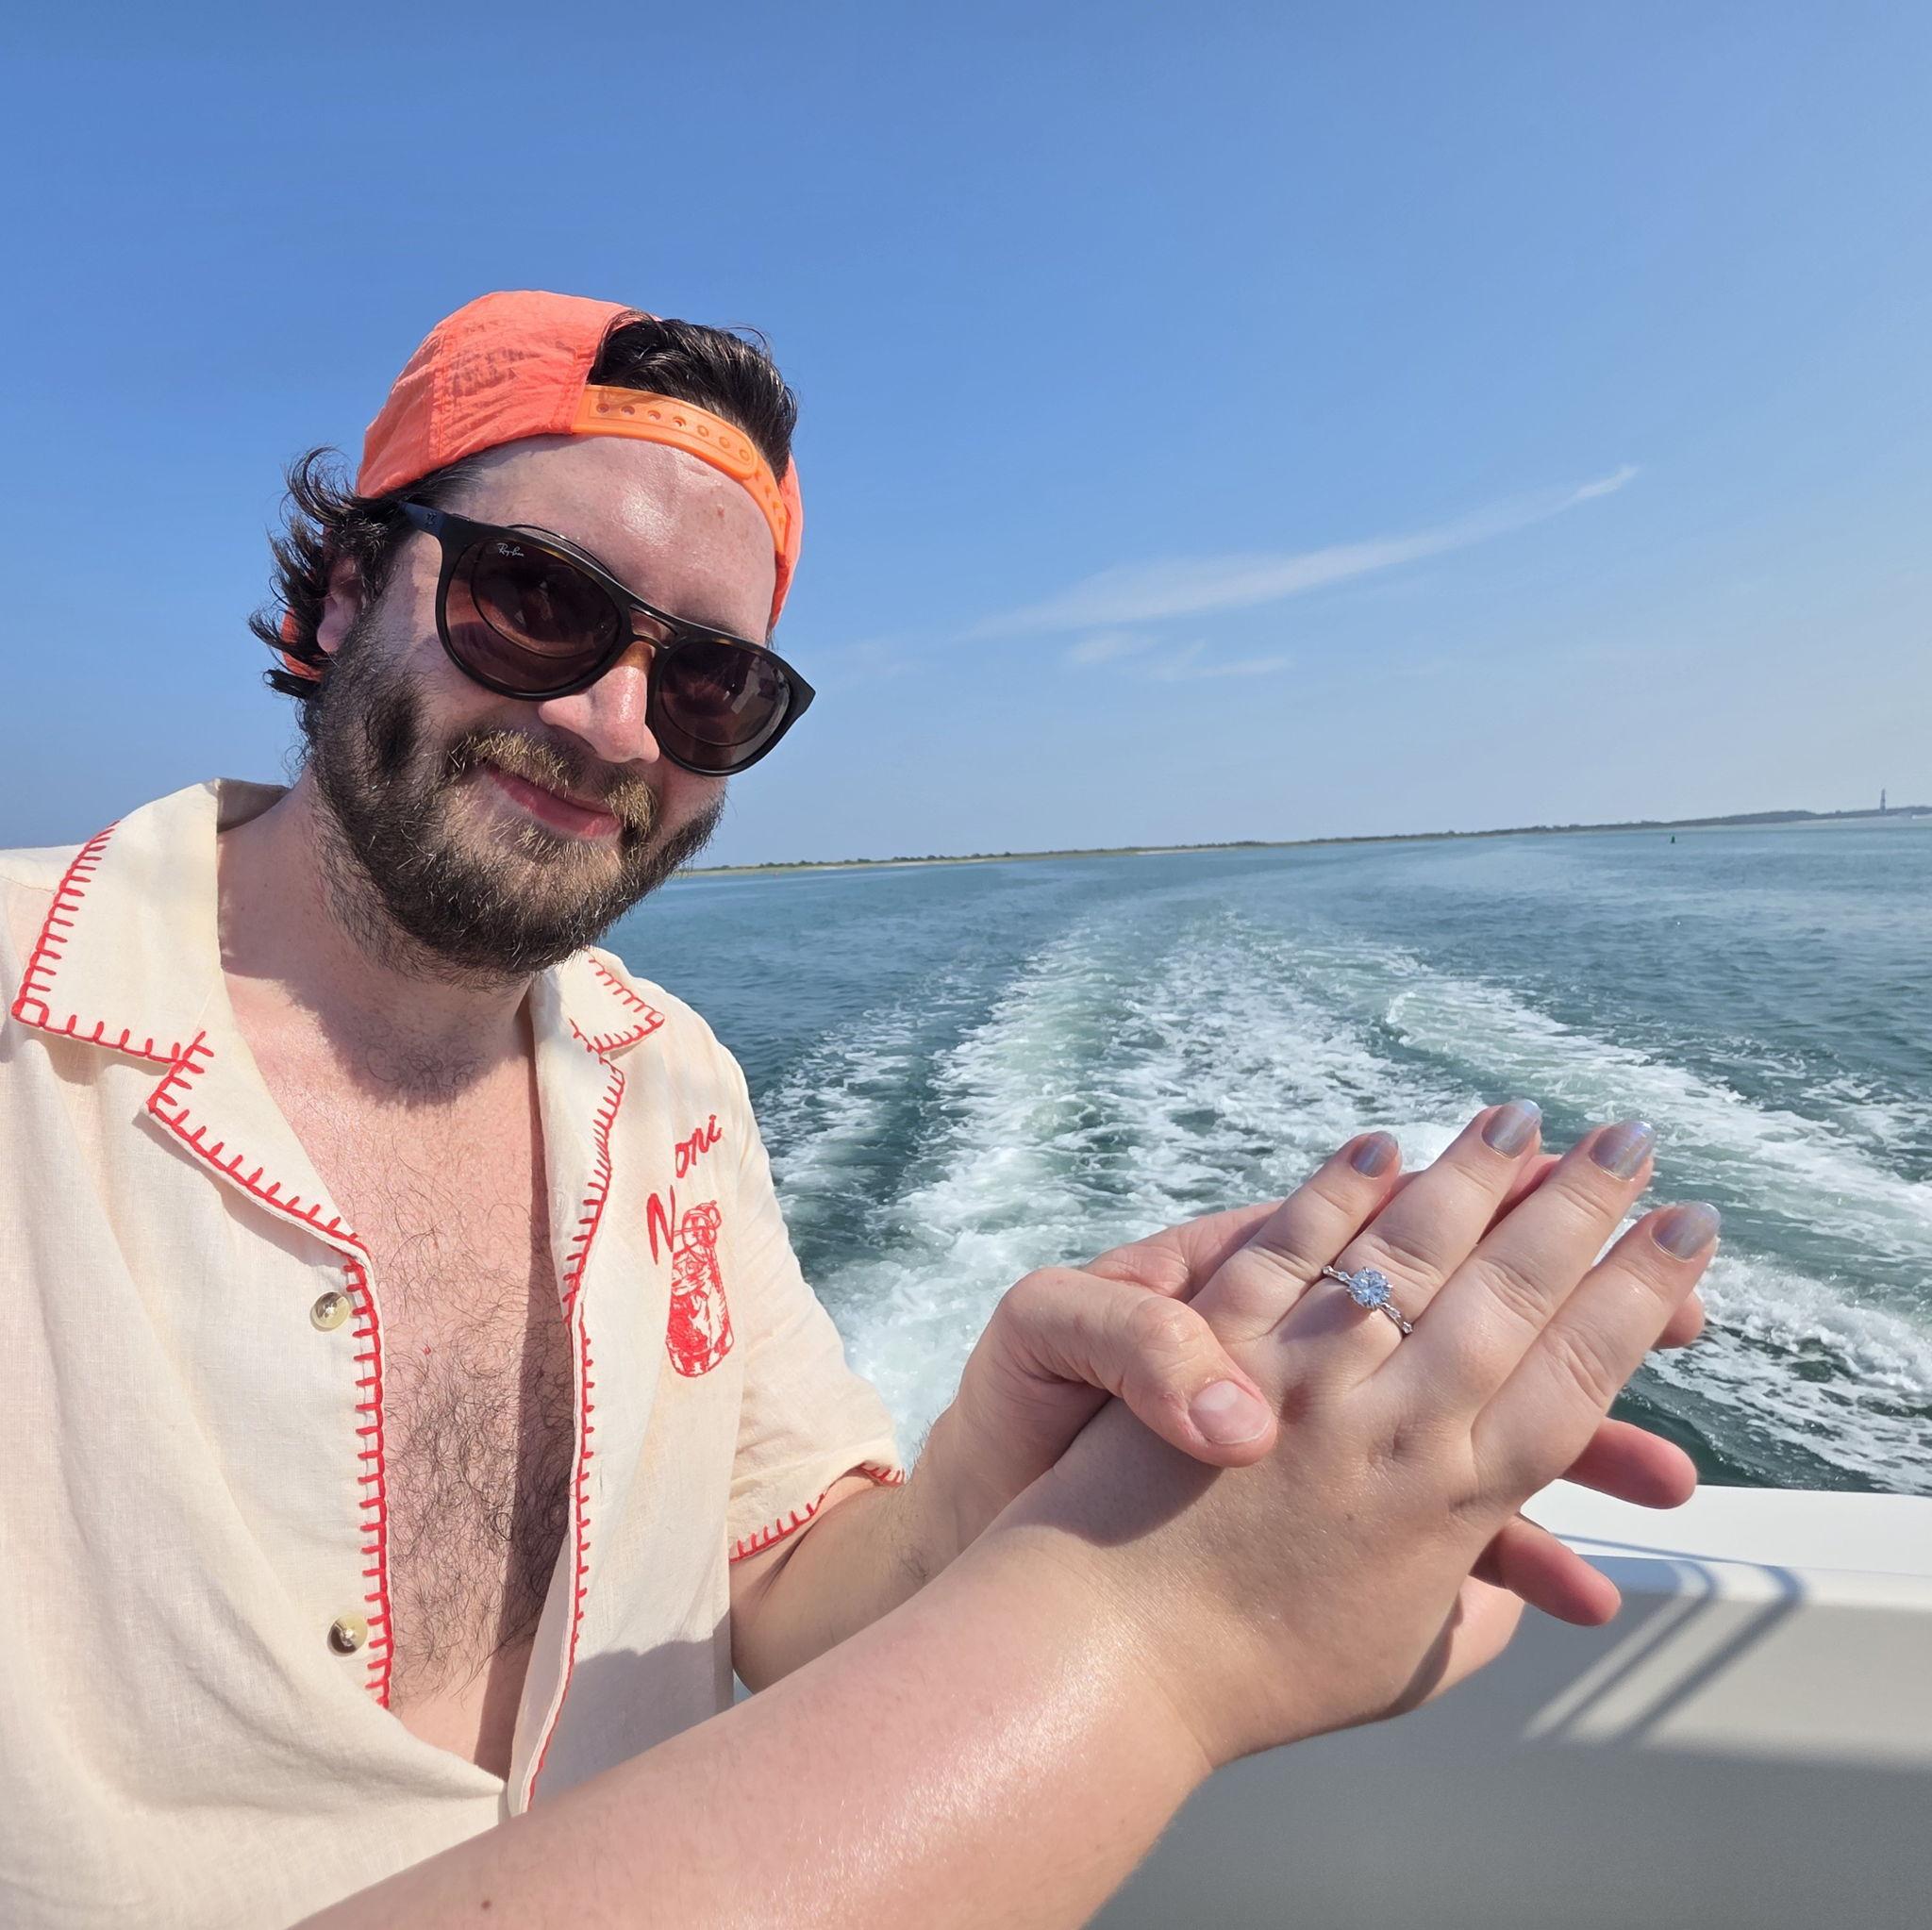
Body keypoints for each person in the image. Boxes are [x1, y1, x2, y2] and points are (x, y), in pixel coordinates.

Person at [0, 291, 1714, 1928]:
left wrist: (1018, 1472)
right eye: (533, 599)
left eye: (709, 689)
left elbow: (786, 1582)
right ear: (340, 598)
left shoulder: (672, 1082)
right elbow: (1129, 1653)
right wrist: (1164, 1635)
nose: (609, 721)